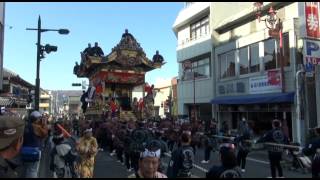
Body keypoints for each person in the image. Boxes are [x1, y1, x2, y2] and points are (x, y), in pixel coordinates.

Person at [22, 110, 48, 178]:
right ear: (37, 119)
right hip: (34, 151)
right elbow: (44, 134)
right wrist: (44, 124)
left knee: (27, 169)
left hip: (24, 150)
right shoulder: (36, 127)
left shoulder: (25, 125)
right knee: (33, 170)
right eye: (39, 118)